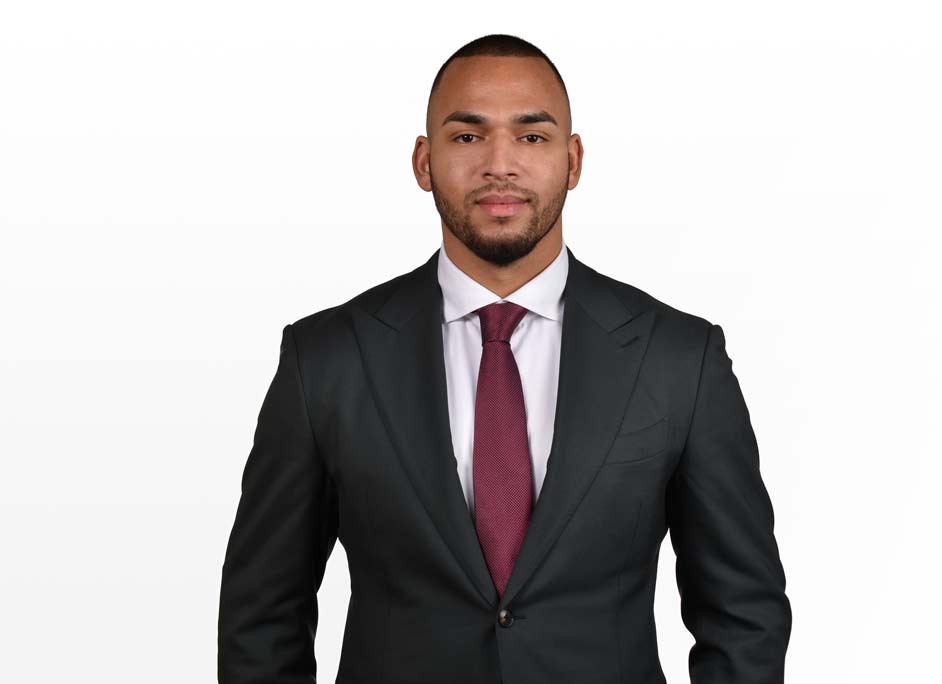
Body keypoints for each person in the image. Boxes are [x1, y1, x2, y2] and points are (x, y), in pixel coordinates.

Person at [217, 33, 792, 684]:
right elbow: (261, 616)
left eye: (532, 136)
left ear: (573, 161)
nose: (500, 164)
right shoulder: (326, 359)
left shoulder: (679, 359)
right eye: (468, 136)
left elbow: (742, 617)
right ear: (423, 162)